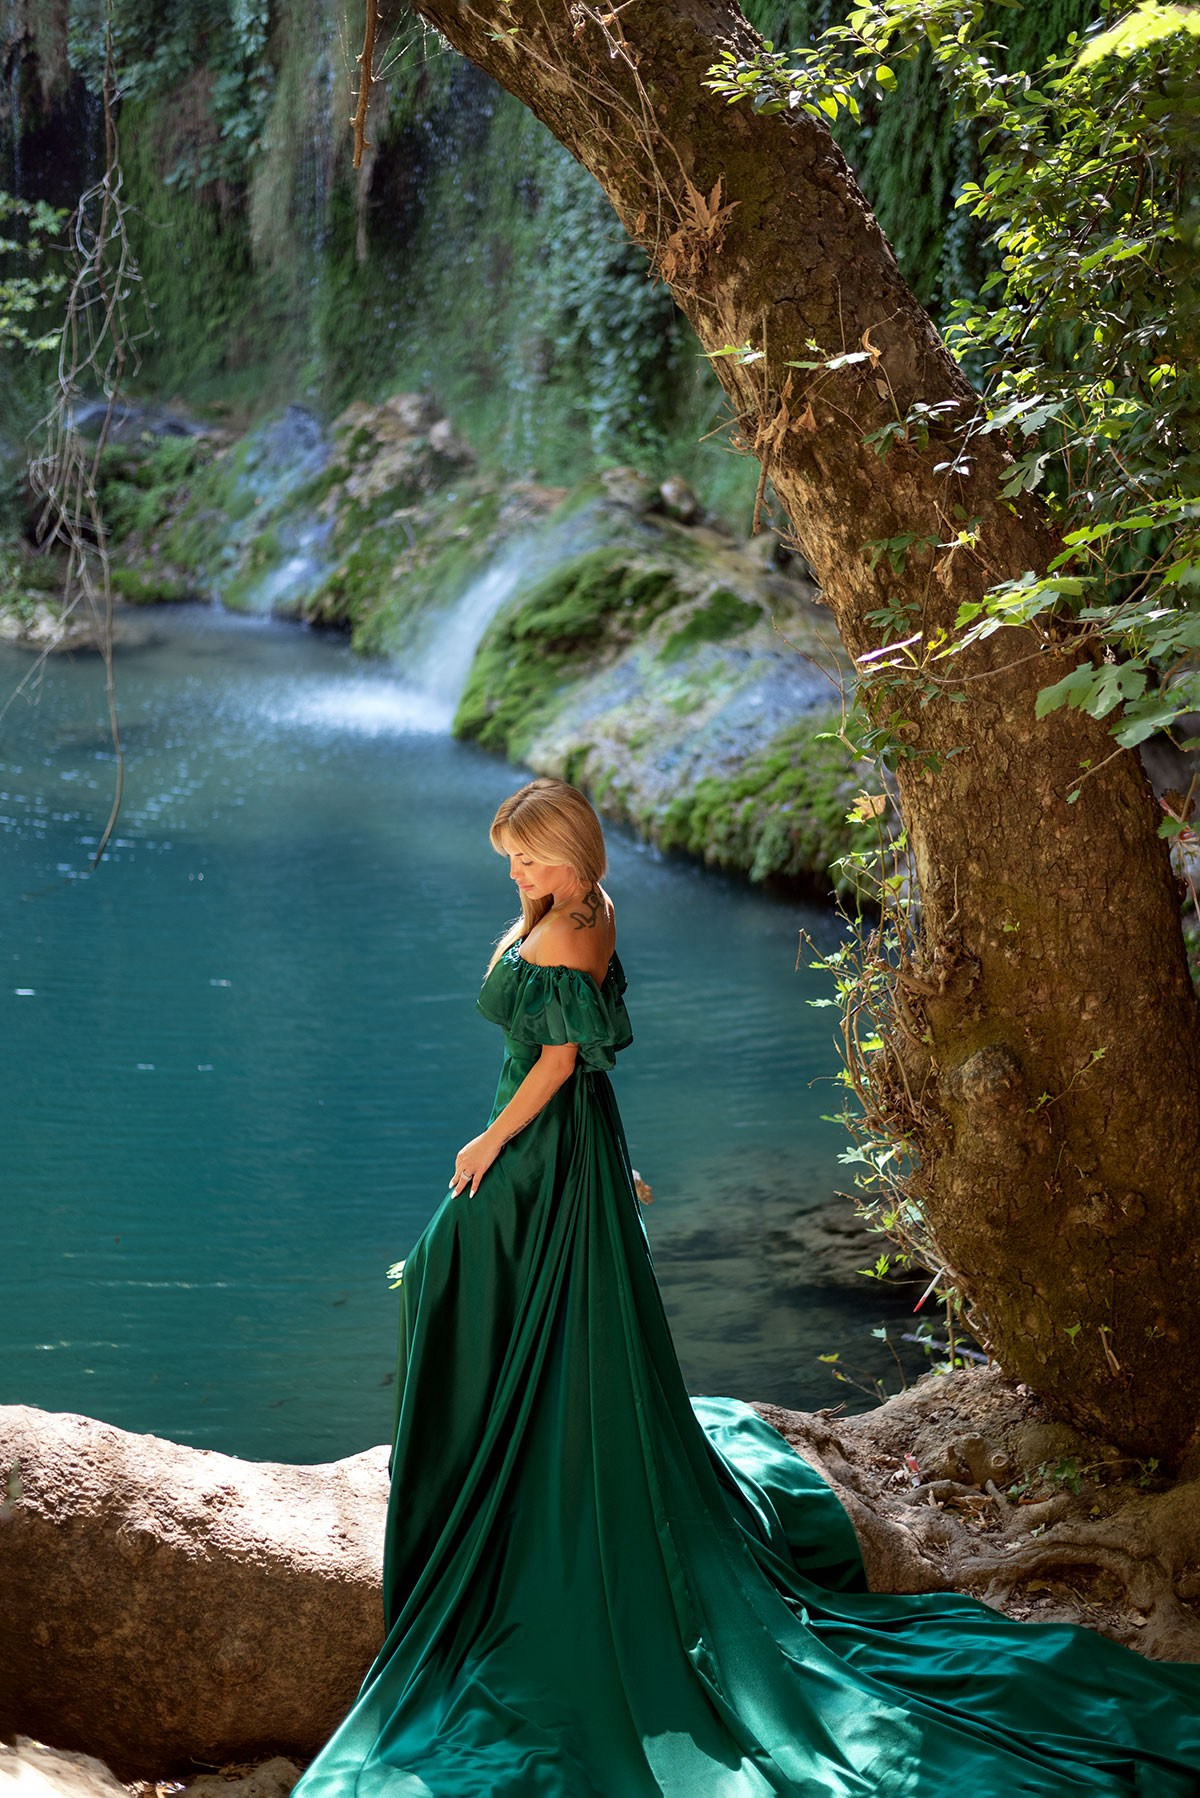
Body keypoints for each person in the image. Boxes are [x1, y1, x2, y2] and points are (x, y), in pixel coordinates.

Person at [294, 776, 1200, 1797]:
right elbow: (593, 1065)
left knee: (450, 1259)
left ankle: (489, 1462)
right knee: (509, 1284)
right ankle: (514, 1430)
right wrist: (612, 1154)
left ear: (572, 855)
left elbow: (556, 1061)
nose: (516, 873)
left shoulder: (558, 932)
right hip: (574, 1145)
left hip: (536, 1147)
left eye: (529, 857)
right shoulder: (588, 912)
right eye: (510, 857)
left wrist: (492, 1140)